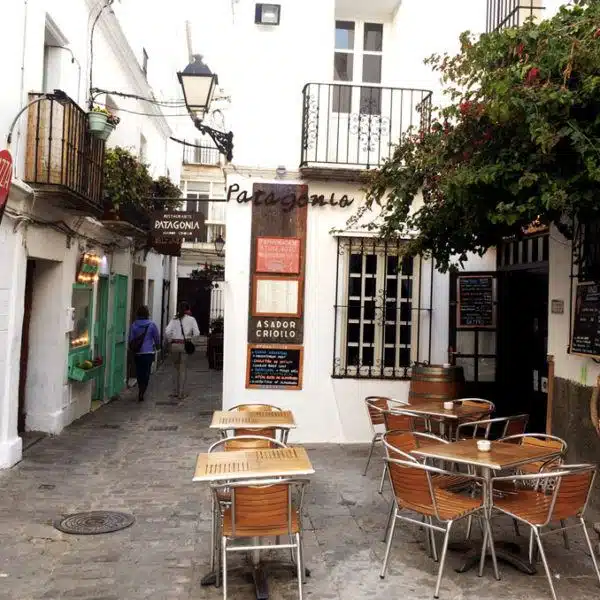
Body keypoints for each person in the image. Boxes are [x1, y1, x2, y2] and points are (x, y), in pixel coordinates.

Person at [165, 301, 200, 399]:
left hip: (175, 345)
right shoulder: (191, 319)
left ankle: (175, 391)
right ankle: (181, 393)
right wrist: (192, 342)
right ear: (187, 309)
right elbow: (197, 333)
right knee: (182, 369)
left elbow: (167, 331)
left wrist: (170, 340)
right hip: (184, 345)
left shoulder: (174, 319)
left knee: (175, 369)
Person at [128, 306, 160, 402]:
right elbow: (157, 338)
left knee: (139, 372)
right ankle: (142, 390)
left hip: (138, 353)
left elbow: (130, 339)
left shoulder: (134, 325)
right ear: (147, 314)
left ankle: (140, 387)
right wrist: (157, 347)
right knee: (146, 372)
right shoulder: (152, 325)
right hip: (148, 352)